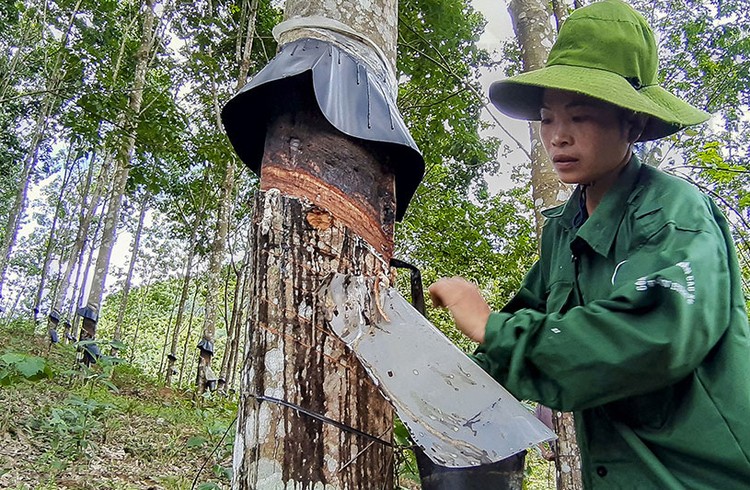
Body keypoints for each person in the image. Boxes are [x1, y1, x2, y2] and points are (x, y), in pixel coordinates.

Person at [428, 1, 750, 488]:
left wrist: (490, 325)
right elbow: (516, 339)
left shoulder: (674, 213)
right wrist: (435, 386)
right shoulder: (564, 228)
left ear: (633, 124)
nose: (558, 138)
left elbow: (658, 337)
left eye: (580, 117)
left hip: (698, 477)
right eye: (547, 119)